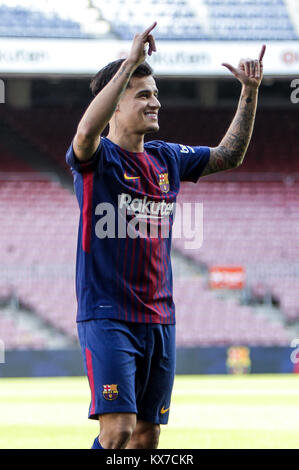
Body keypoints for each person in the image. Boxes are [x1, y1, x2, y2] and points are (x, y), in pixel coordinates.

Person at [66, 21, 265, 449]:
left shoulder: (167, 158)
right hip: (108, 315)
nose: (155, 102)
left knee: (146, 438)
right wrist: (131, 62)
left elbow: (230, 155)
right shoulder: (97, 159)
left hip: (159, 318)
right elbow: (84, 134)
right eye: (143, 94)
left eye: (155, 93)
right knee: (117, 431)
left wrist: (249, 93)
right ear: (116, 105)